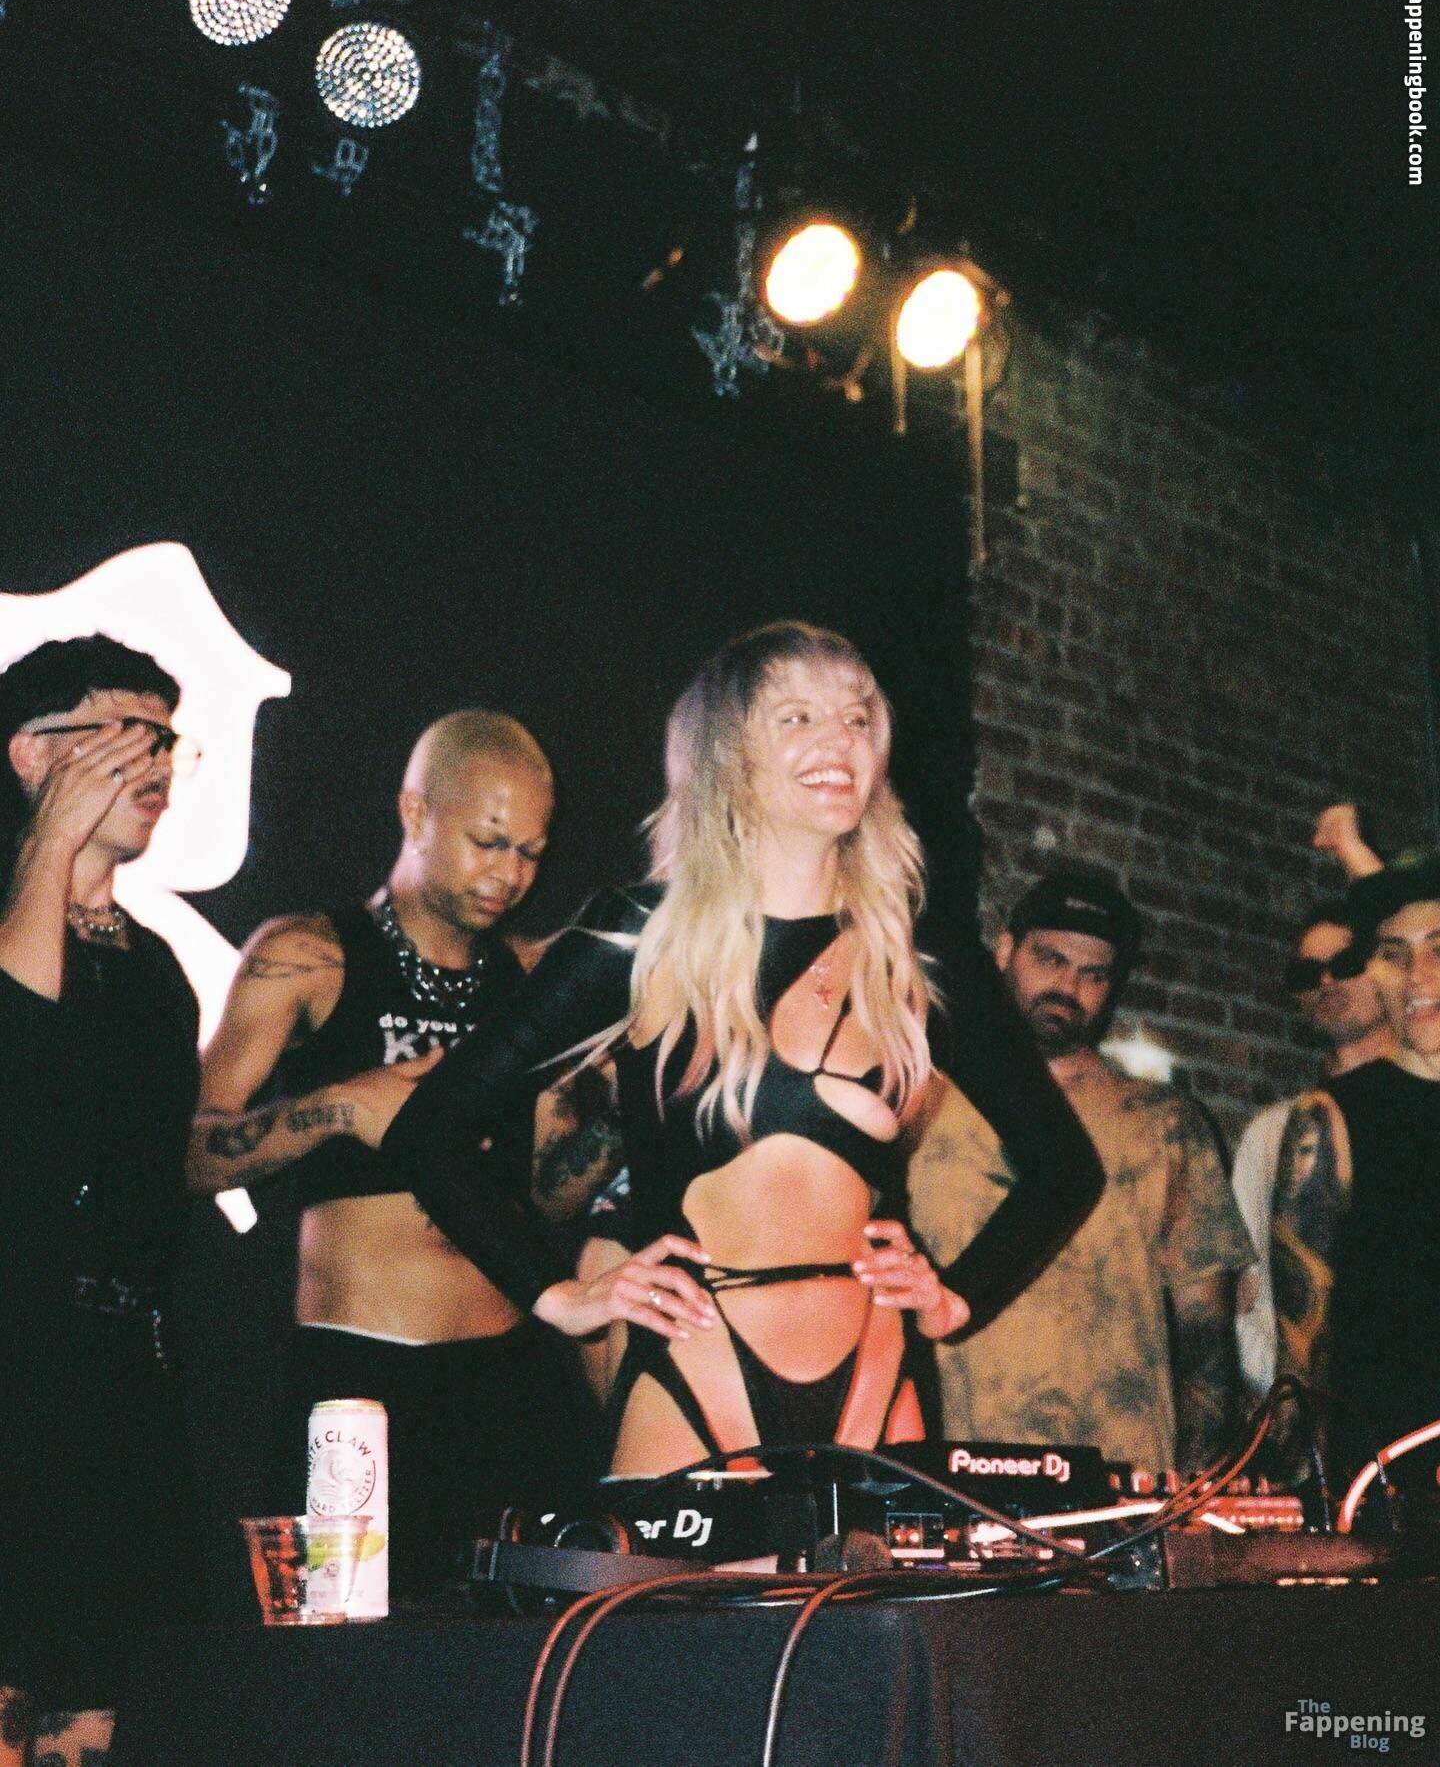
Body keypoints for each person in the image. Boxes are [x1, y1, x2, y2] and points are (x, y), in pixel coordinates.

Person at [355, 622, 1104, 1477]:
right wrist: (560, 1295)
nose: (838, 741)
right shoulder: (640, 940)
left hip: (876, 1373)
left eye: (858, 719)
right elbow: (432, 1130)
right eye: (797, 718)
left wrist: (954, 1298)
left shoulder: (918, 957)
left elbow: (1064, 1168)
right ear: (728, 754)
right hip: (693, 1373)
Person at [188, 710, 603, 1594]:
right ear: (416, 813)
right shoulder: (308, 956)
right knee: (336, 1642)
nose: (509, 874)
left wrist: (611, 1115)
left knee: (532, 1641)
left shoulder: (534, 979)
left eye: (530, 853)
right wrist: (343, 1106)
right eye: (488, 842)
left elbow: (552, 1201)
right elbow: (192, 1155)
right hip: (356, 1377)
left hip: (508, 1375)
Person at [0, 636, 204, 1765]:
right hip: (14, 1353)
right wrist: (49, 849)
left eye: (167, 740)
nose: (155, 762)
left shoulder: (156, 965)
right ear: (31, 754)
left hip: (122, 1371)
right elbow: (18, 1050)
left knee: (103, 1702)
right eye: (125, 737)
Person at [913, 869, 1254, 1475]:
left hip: (1119, 1468)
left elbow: (1204, 1329)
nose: (1067, 987)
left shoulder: (1165, 1121)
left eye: (1093, 974)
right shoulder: (922, 1098)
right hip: (952, 1460)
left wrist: (1202, 1483)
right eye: (1050, 959)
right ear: (1004, 950)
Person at [1271, 853, 1440, 1493]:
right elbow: (1301, 1355)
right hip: (1386, 1494)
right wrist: (1304, 1502)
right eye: (1394, 954)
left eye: (1438, 948)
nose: (1417, 975)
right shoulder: (1333, 1118)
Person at [1232, 893, 1392, 1399]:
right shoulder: (1272, 1133)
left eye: (1345, 963)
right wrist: (1283, 1394)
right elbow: (1247, 1286)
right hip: (1318, 1405)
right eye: (1307, 974)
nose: (1326, 982)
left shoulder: (1419, 1110)